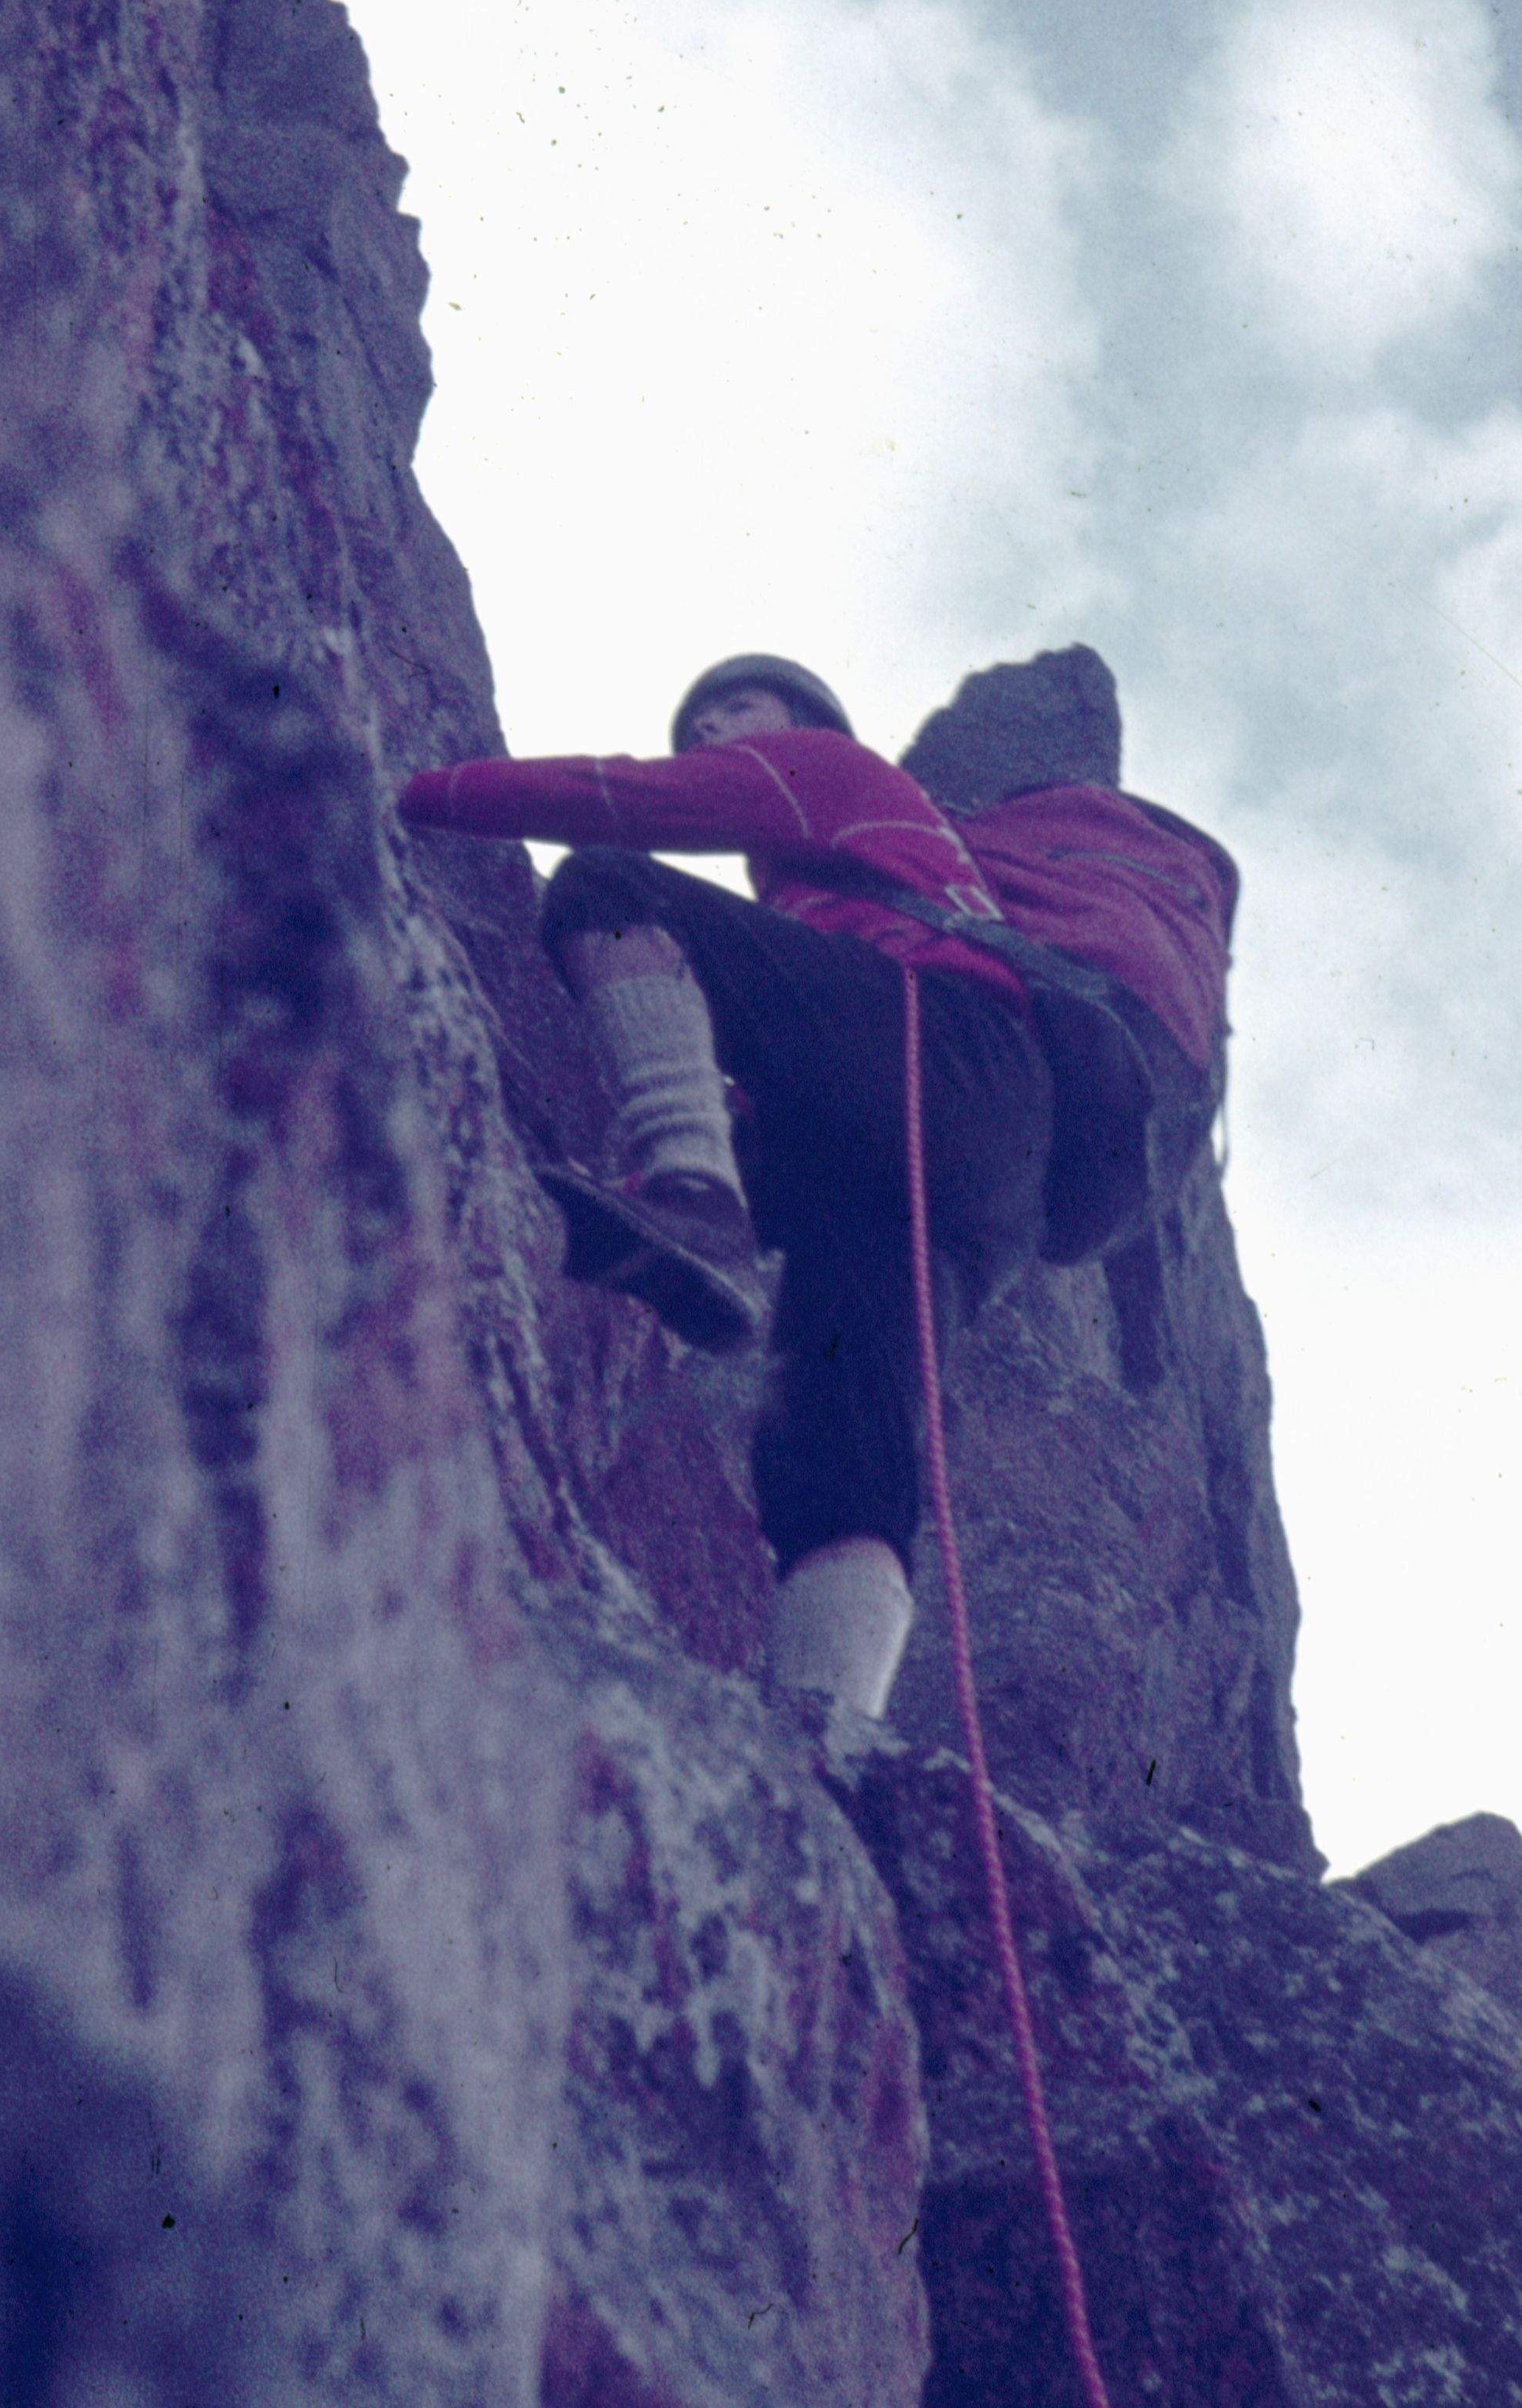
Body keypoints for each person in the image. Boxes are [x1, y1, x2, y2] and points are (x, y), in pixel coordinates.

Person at [397, 656, 1232, 1731]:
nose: (712, 732)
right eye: (699, 720)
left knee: (610, 888)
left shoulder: (830, 773)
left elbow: (624, 797)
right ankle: (832, 1733)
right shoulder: (845, 892)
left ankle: (693, 1200)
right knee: (844, 1434)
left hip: (947, 1051)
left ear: (806, 721)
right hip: (982, 1180)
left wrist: (410, 786)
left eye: (734, 709)